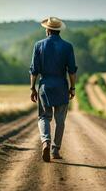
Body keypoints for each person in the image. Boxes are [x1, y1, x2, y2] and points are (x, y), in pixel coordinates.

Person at [29, 17, 78, 162]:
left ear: (48, 30)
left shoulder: (38, 45)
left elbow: (34, 70)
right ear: (58, 30)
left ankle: (46, 142)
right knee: (60, 120)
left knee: (44, 117)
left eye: (46, 28)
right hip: (61, 86)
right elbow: (72, 71)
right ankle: (55, 150)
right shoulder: (68, 47)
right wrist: (72, 87)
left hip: (45, 86)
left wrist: (32, 88)